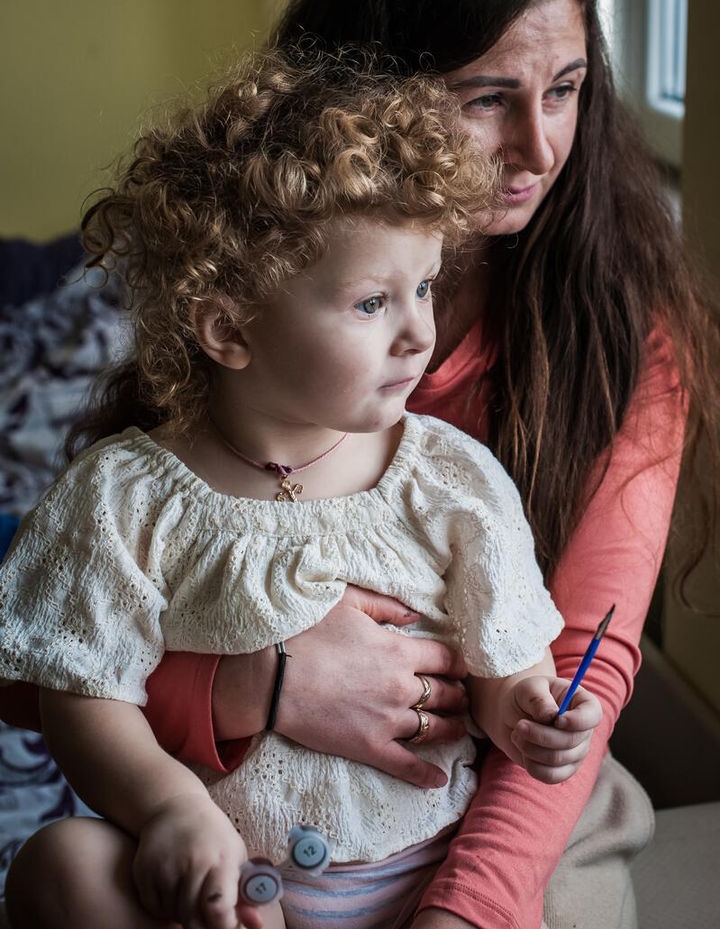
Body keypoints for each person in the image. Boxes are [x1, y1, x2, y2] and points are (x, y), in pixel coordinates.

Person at [2, 0, 719, 929]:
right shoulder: (212, 398)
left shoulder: (607, 346)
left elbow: (570, 669)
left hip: (486, 812)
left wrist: (460, 912)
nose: (541, 149)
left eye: (566, 89)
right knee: (57, 870)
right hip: (231, 820)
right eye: (489, 97)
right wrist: (256, 684)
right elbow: (56, 662)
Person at [0, 49, 603, 929]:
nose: (417, 334)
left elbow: (506, 667)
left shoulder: (450, 480)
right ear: (229, 326)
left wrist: (530, 713)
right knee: (58, 863)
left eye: (426, 287)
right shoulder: (124, 497)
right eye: (371, 303)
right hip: (228, 889)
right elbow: (83, 694)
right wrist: (172, 808)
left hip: (417, 882)